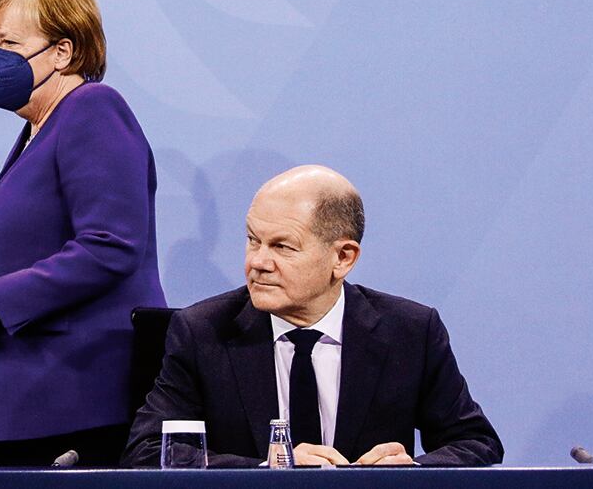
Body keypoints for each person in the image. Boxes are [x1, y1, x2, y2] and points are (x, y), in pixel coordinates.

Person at [0, 0, 166, 467]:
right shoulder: (39, 129)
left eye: (10, 44)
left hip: (72, 402)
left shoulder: (93, 109)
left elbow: (112, 243)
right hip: (20, 400)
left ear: (63, 51)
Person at [122, 165, 503, 467]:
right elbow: (148, 450)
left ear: (343, 258)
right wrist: (261, 468)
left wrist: (412, 469)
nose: (257, 262)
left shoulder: (410, 332)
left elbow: (476, 442)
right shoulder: (203, 331)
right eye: (253, 240)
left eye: (282, 247)